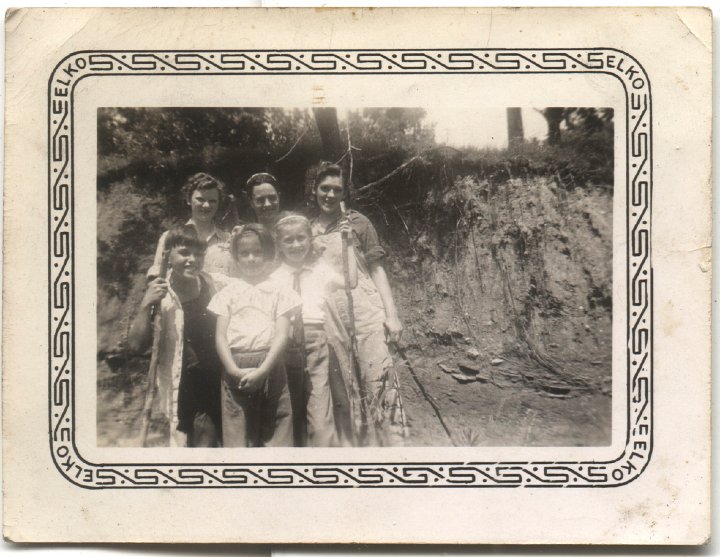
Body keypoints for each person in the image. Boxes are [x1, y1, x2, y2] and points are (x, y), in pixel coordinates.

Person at [308, 162, 405, 446]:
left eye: (336, 189)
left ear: (344, 193)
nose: (329, 194)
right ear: (314, 190)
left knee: (379, 377)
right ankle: (359, 452)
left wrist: (392, 315)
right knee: (344, 385)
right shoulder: (309, 229)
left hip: (365, 309)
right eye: (324, 188)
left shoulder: (359, 223)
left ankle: (393, 448)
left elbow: (376, 270)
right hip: (329, 313)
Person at [127, 225, 226, 448]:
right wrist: (146, 304)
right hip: (178, 386)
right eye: (184, 253)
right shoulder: (160, 292)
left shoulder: (214, 285)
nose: (193, 259)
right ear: (167, 256)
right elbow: (135, 345)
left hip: (211, 385)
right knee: (180, 446)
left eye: (199, 254)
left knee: (206, 447)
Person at [208, 223, 300, 447]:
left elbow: (282, 334)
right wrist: (231, 369)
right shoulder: (228, 292)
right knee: (237, 427)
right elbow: (220, 336)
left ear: (268, 253)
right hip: (235, 364)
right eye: (244, 253)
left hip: (271, 362)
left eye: (257, 253)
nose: (251, 259)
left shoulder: (280, 290)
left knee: (276, 426)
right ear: (236, 257)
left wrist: (264, 369)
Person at [270, 213, 357, 447]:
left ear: (310, 239)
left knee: (319, 411)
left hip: (315, 341)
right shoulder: (272, 276)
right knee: (286, 409)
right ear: (278, 244)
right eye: (288, 240)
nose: (296, 245)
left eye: (301, 238)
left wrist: (348, 244)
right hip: (283, 343)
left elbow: (351, 281)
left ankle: (324, 457)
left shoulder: (320, 270)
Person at [148, 172, 231, 279]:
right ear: (188, 200)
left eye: (212, 201)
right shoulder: (170, 237)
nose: (206, 205)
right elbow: (157, 276)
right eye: (200, 199)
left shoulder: (228, 239)